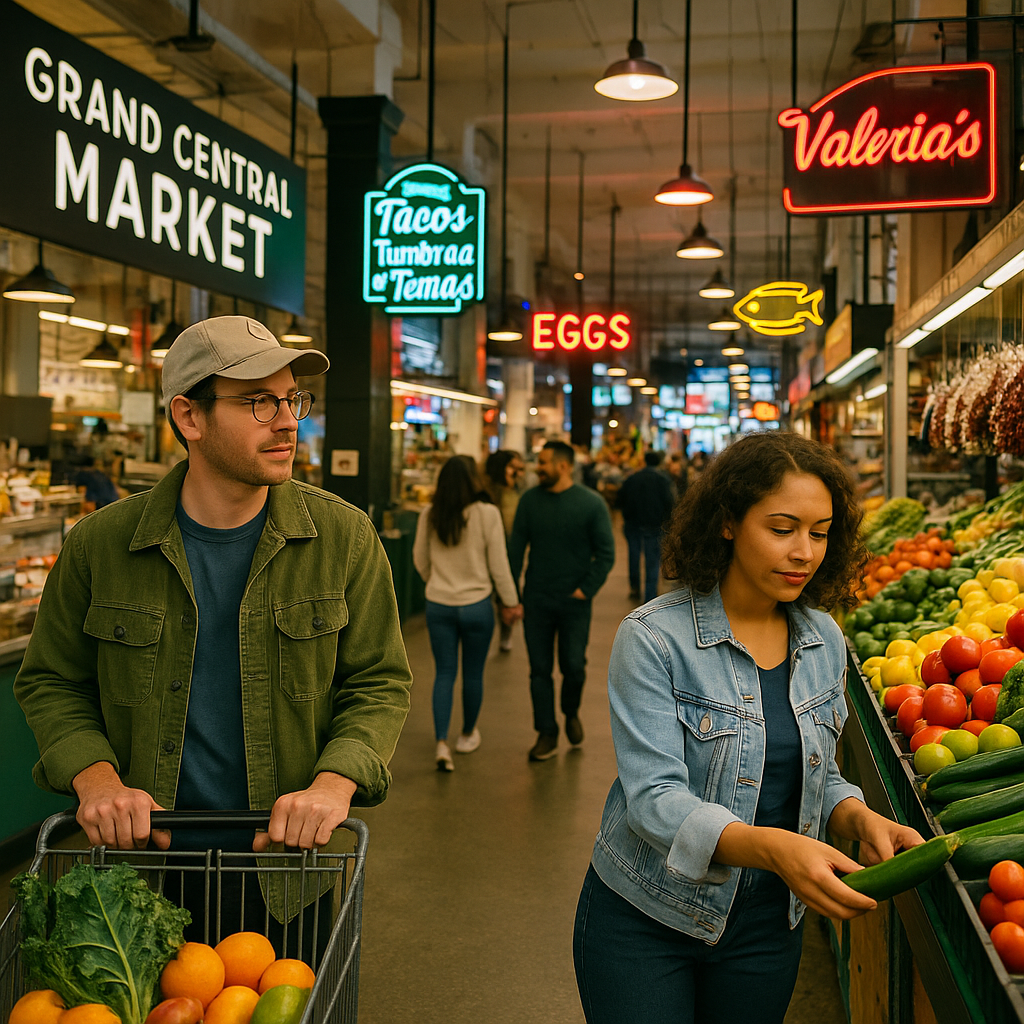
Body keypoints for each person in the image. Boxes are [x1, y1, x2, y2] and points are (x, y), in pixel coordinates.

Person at [16, 316, 413, 942]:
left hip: (287, 872)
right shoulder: (101, 545)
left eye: (292, 399)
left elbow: (379, 682)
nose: (288, 421)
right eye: (258, 402)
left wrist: (335, 786)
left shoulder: (342, 538)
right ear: (189, 418)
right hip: (137, 876)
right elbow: (51, 681)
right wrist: (97, 781)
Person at [572, 431, 924, 1024]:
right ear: (729, 522)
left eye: (819, 533)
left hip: (766, 927)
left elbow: (815, 773)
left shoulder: (823, 639)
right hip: (650, 916)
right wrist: (772, 847)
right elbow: (654, 799)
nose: (804, 553)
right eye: (782, 529)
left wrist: (859, 817)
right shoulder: (655, 638)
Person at [508, 440, 615, 761]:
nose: (537, 468)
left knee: (573, 665)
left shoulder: (591, 504)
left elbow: (606, 553)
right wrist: (510, 597)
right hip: (537, 598)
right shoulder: (529, 501)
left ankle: (570, 711)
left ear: (563, 466)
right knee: (539, 670)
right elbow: (515, 552)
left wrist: (586, 589)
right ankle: (546, 731)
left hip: (575, 603)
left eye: (543, 462)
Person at [414, 455, 522, 771]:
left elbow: (420, 559)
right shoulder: (488, 514)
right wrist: (510, 601)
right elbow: (499, 564)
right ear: (474, 480)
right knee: (473, 673)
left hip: (439, 605)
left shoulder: (430, 515)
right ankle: (466, 734)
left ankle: (441, 745)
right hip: (477, 606)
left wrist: (437, 583)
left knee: (444, 673)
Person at [616, 450, 675, 604]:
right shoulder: (663, 479)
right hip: (654, 525)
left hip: (633, 524)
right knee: (652, 560)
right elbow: (670, 502)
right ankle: (650, 595)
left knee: (633, 556)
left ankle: (634, 588)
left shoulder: (632, 478)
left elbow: (620, 498)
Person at [483, 449, 526, 652]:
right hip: (489, 547)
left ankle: (505, 631)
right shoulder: (490, 491)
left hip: (510, 549)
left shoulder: (518, 488)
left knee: (507, 592)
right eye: (513, 467)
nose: (518, 471)